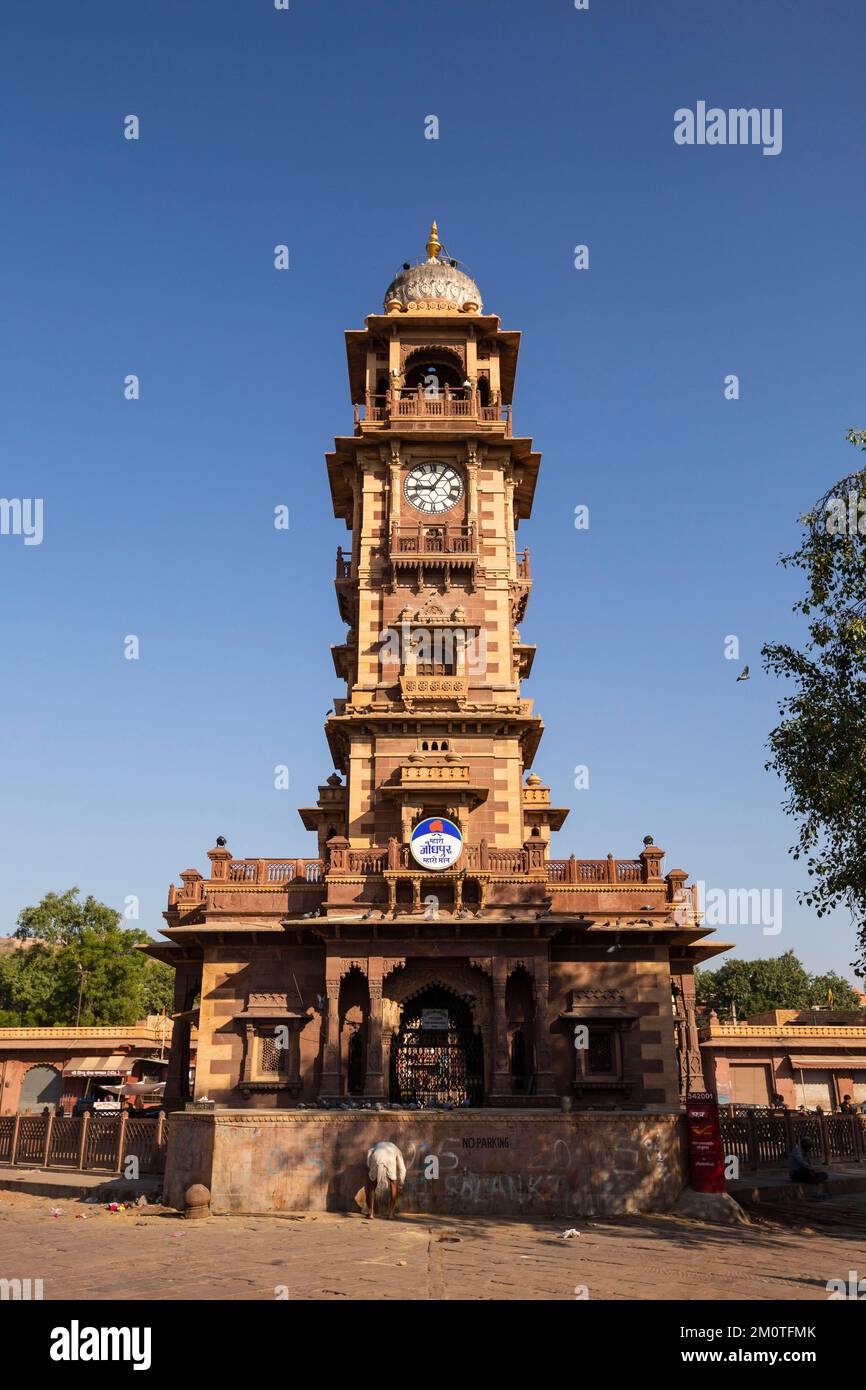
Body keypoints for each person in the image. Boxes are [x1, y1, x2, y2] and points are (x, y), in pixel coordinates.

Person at [365, 1140, 406, 1220]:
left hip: (376, 1157)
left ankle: (371, 1213)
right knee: (393, 1184)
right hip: (389, 1159)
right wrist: (401, 1183)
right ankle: (390, 1214)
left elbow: (369, 1153)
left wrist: (371, 1170)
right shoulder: (397, 1150)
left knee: (372, 1184)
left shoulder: (376, 1147)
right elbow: (402, 1169)